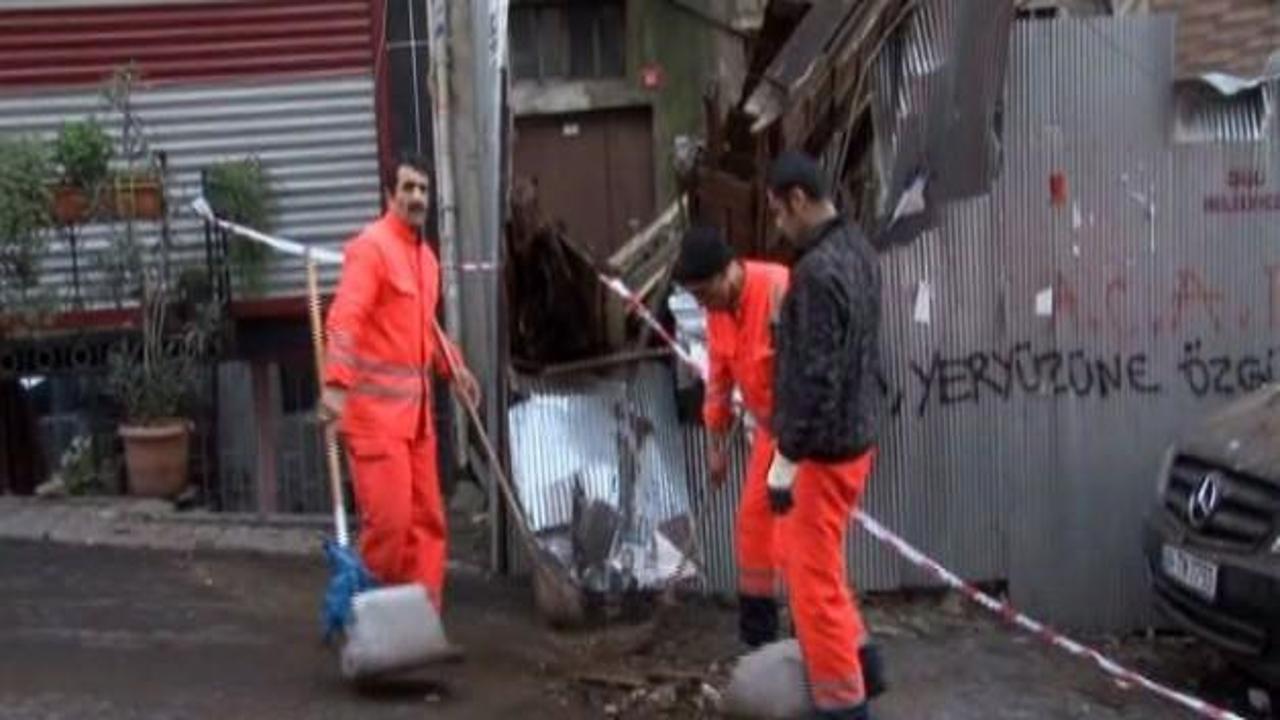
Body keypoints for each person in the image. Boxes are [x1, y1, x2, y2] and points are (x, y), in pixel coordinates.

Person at [320, 153, 478, 611]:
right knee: (390, 525)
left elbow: (424, 327)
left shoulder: (425, 261)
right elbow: (346, 319)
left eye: (423, 190)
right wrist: (335, 384)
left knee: (428, 523)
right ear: (390, 195)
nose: (416, 197)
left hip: (417, 423)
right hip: (374, 422)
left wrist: (455, 369)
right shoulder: (370, 249)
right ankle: (369, 614)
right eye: (407, 188)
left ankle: (420, 621)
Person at [765, 150, 884, 719]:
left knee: (812, 591)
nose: (779, 229)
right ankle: (867, 667)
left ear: (797, 201)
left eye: (779, 216)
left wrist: (785, 459)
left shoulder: (813, 275)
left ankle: (843, 708)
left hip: (824, 452)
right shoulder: (859, 251)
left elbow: (816, 376)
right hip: (856, 440)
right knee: (829, 571)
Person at [673, 224, 789, 648]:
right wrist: (715, 446)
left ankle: (815, 636)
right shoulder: (718, 313)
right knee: (753, 527)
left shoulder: (778, 289)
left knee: (800, 537)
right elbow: (719, 384)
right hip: (769, 434)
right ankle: (760, 640)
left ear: (728, 272)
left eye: (705, 293)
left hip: (803, 435)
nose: (705, 305)